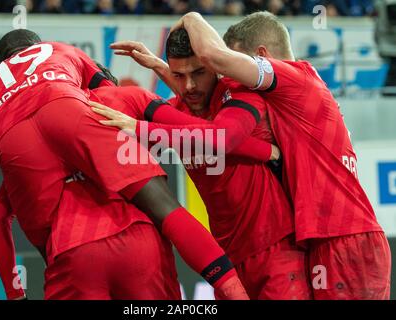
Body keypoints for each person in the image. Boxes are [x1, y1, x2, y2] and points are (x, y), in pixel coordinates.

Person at [0, 29, 247, 299]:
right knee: (165, 207)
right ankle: (233, 291)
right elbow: (203, 134)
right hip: (141, 242)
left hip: (66, 243)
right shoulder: (99, 79)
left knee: (47, 241)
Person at [158, 11, 391, 299]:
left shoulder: (295, 78)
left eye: (238, 65)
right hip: (327, 238)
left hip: (343, 235)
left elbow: (213, 57)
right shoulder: (292, 96)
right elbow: (205, 103)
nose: (231, 81)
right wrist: (162, 69)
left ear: (261, 56)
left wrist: (191, 17)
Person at [92, 28, 312, 299]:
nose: (189, 87)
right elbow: (197, 128)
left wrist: (139, 128)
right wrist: (265, 151)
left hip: (277, 250)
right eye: (178, 76)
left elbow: (220, 139)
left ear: (214, 66)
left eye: (198, 73)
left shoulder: (240, 94)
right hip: (227, 260)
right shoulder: (173, 113)